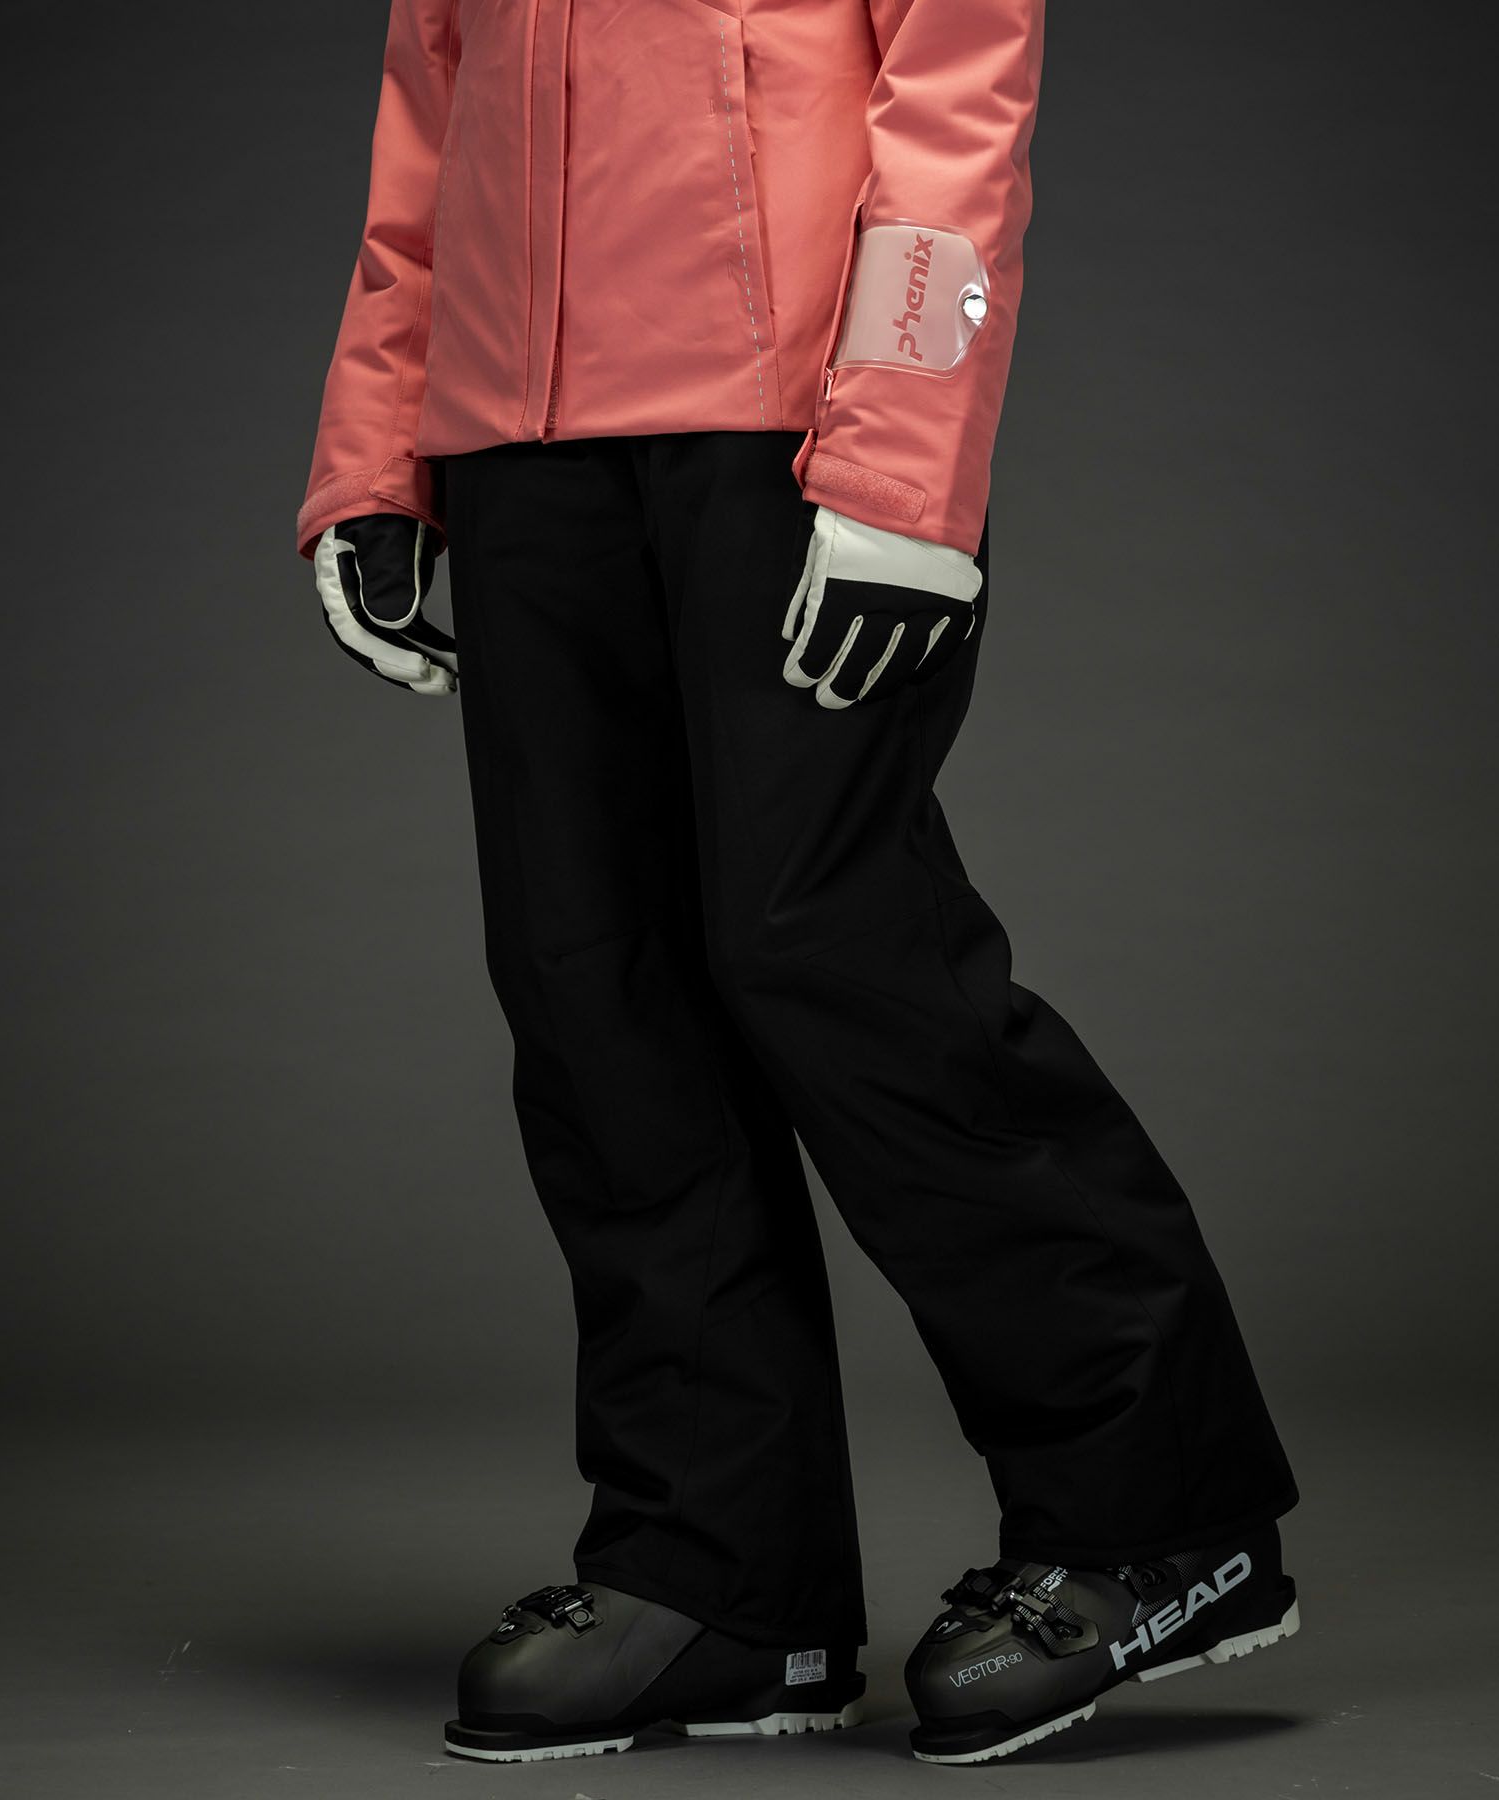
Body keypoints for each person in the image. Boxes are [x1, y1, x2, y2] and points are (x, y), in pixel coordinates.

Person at [296, 0, 1300, 1767]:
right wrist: (380, 448)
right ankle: (722, 1578)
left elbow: (958, 88)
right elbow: (432, 110)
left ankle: (1157, 1514)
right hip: (517, 431)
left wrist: (905, 460)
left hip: (796, 425)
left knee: (830, 948)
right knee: (592, 981)